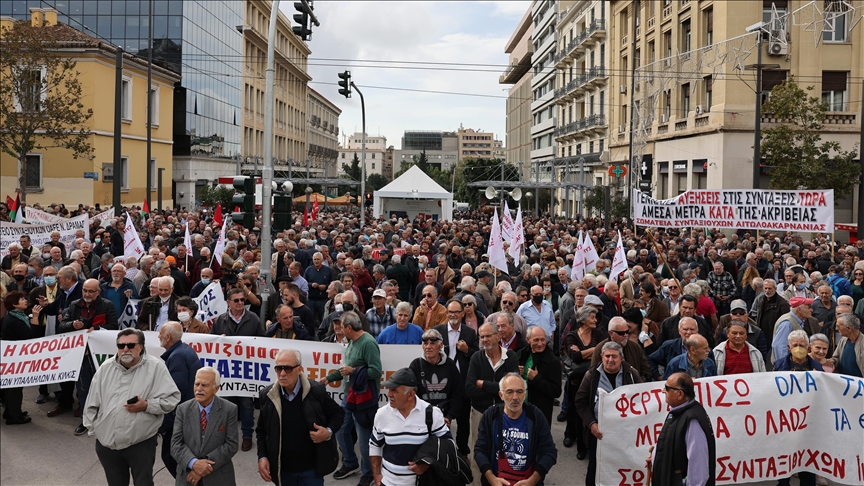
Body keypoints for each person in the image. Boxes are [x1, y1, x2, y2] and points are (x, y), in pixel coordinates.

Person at [83, 328, 181, 486]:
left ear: (141, 346)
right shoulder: (105, 368)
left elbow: (172, 398)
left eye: (130, 345)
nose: (125, 349)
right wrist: (96, 430)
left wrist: (147, 405)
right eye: (121, 346)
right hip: (107, 444)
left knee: (143, 483)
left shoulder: (156, 367)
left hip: (140, 443)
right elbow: (91, 403)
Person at [257, 349, 344, 486]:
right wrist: (262, 457)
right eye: (279, 368)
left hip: (311, 470)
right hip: (283, 471)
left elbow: (338, 413)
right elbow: (261, 431)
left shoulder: (316, 391)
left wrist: (328, 432)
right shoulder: (267, 396)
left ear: (299, 369)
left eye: (288, 368)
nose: (283, 373)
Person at [321, 311, 382, 486]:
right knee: (340, 430)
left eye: (341, 326)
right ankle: (350, 462)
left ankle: (369, 471)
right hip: (349, 397)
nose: (338, 329)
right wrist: (328, 379)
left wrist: (353, 371)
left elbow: (376, 371)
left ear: (349, 327)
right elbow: (345, 369)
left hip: (364, 399)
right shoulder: (351, 342)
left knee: (364, 440)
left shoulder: (368, 343)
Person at [370, 368, 452, 486]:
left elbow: (448, 445)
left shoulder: (432, 413)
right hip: (388, 483)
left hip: (423, 483)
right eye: (388, 390)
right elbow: (374, 445)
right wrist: (377, 475)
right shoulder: (382, 414)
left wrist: (426, 464)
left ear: (410, 394)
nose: (389, 395)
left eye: (394, 391)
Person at [574, 342, 642, 486]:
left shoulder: (631, 374)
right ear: (601, 357)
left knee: (621, 466)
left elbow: (642, 400)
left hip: (624, 433)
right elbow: (580, 402)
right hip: (599, 433)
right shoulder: (591, 375)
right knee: (595, 467)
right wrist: (591, 423)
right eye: (607, 356)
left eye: (614, 356)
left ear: (621, 358)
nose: (610, 359)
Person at [474, 373, 558, 486]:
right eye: (509, 392)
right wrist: (492, 479)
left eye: (519, 391)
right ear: (501, 395)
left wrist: (532, 481)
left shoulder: (535, 416)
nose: (515, 397)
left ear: (525, 394)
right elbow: (479, 451)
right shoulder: (490, 415)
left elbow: (550, 452)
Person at [465, 321, 519, 484]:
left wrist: (483, 384)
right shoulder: (476, 357)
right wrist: (500, 389)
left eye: (488, 335)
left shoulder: (510, 356)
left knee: (505, 454)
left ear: (498, 336)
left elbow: (513, 388)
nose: (485, 339)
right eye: (482, 337)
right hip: (480, 413)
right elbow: (469, 389)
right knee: (478, 454)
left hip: (506, 415)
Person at [211, 287, 263, 452]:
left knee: (247, 405)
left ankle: (247, 436)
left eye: (242, 300)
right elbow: (211, 343)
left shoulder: (253, 318)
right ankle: (227, 436)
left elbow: (263, 341)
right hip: (227, 371)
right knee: (226, 404)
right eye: (237, 300)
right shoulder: (220, 320)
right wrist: (219, 340)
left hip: (246, 371)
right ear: (228, 303)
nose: (241, 303)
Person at [170, 367, 239, 486]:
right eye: (197, 384)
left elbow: (231, 445)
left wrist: (203, 468)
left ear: (216, 388)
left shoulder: (229, 409)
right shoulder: (183, 409)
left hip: (219, 478)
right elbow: (175, 444)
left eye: (205, 385)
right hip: (187, 477)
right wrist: (193, 463)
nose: (199, 389)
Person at [649, 372, 715, 486]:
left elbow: (698, 470)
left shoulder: (692, 420)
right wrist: (656, 457)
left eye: (667, 388)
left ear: (680, 394)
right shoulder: (677, 413)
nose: (663, 391)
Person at [433, 300, 479, 458]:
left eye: (456, 312)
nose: (453, 315)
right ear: (446, 314)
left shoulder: (470, 333)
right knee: (440, 419)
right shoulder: (437, 332)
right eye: (450, 312)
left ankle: (462, 452)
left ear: (462, 314)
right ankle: (442, 451)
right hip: (441, 384)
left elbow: (477, 355)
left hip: (462, 383)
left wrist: (467, 351)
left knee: (463, 421)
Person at [158, 322, 202, 479]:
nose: (158, 336)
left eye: (160, 333)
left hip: (180, 419)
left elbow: (175, 394)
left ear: (168, 336)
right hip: (189, 414)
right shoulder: (184, 350)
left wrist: (165, 424)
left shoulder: (176, 356)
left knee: (171, 456)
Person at [562, 306, 605, 454]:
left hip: (593, 380)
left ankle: (584, 444)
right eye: (592, 317)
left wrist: (582, 353)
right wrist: (594, 350)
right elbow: (574, 357)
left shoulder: (598, 333)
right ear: (583, 319)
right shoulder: (572, 336)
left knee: (589, 411)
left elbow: (602, 351)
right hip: (575, 380)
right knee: (573, 409)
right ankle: (570, 435)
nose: (595, 320)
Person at [409, 329, 464, 431]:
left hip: (446, 419)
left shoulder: (450, 365)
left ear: (441, 345)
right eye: (425, 343)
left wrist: (449, 416)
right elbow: (411, 394)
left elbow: (457, 393)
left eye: (433, 343)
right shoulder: (415, 365)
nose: (428, 346)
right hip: (421, 419)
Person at [1, 290, 41, 424]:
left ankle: (11, 411)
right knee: (15, 387)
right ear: (14, 304)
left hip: (13, 357)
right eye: (22, 299)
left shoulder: (14, 316)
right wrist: (35, 318)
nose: (25, 301)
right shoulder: (14, 320)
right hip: (16, 358)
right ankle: (14, 416)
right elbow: (31, 339)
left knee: (12, 387)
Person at [517, 326, 562, 426]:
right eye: (536, 340)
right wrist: (516, 373)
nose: (540, 344)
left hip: (540, 412)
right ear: (528, 340)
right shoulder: (521, 354)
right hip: (519, 408)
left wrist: (536, 379)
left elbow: (556, 391)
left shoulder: (553, 362)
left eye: (543, 339)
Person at [590, 317, 652, 381]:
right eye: (621, 333)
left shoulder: (635, 347)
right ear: (611, 333)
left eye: (627, 332)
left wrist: (639, 382)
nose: (625, 335)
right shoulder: (600, 348)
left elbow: (646, 370)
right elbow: (594, 374)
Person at [771, 296, 817, 364]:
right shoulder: (787, 323)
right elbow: (780, 347)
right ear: (799, 310)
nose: (811, 310)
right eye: (809, 307)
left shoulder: (799, 320)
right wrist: (784, 366)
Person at [830, 312, 863, 377]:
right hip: (844, 383)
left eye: (838, 326)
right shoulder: (843, 340)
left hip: (859, 385)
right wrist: (831, 361)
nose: (836, 328)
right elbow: (836, 358)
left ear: (848, 328)